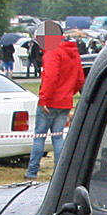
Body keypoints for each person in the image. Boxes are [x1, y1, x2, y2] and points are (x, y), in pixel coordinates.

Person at [25, 21, 84, 181]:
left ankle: (32, 172)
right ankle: (60, 172)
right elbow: (80, 79)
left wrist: (44, 99)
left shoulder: (52, 52)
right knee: (58, 138)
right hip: (65, 102)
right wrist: (68, 93)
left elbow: (50, 77)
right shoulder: (74, 53)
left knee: (39, 137)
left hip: (50, 102)